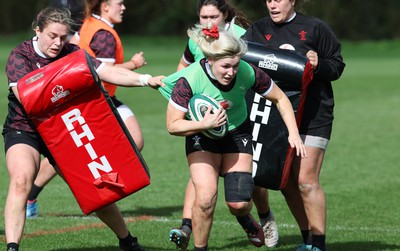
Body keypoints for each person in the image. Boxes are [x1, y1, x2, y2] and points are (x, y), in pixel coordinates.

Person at [3, 7, 164, 251]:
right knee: (21, 180)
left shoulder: (73, 53)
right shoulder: (20, 56)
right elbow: (27, 99)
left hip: (64, 128)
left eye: (63, 37)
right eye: (52, 36)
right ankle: (12, 247)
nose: (58, 43)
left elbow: (106, 72)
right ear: (38, 30)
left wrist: (145, 79)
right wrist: (70, 80)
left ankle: (127, 241)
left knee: (95, 189)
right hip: (25, 128)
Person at [165, 22, 307, 251]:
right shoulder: (189, 79)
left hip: (237, 134)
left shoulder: (246, 71)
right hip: (202, 137)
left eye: (235, 65)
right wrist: (203, 123)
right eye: (225, 66)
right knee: (205, 199)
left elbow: (280, 98)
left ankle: (245, 218)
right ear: (210, 60)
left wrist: (293, 134)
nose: (231, 72)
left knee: (239, 204)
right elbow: (172, 125)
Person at [26, 0, 148, 219]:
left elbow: (76, 49)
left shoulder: (89, 25)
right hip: (94, 102)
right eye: (119, 3)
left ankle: (105, 182)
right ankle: (34, 196)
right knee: (71, 153)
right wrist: (134, 64)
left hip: (106, 98)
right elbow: (102, 70)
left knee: (134, 140)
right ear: (105, 6)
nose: (124, 7)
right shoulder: (104, 34)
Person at [243, 1, 345, 251]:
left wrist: (318, 63)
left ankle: (318, 245)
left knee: (306, 181)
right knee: (286, 182)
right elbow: (239, 58)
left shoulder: (315, 28)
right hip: (275, 118)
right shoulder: (258, 30)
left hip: (313, 117)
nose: (273, 4)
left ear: (293, 1)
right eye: (269, 0)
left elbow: (337, 66)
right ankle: (308, 238)